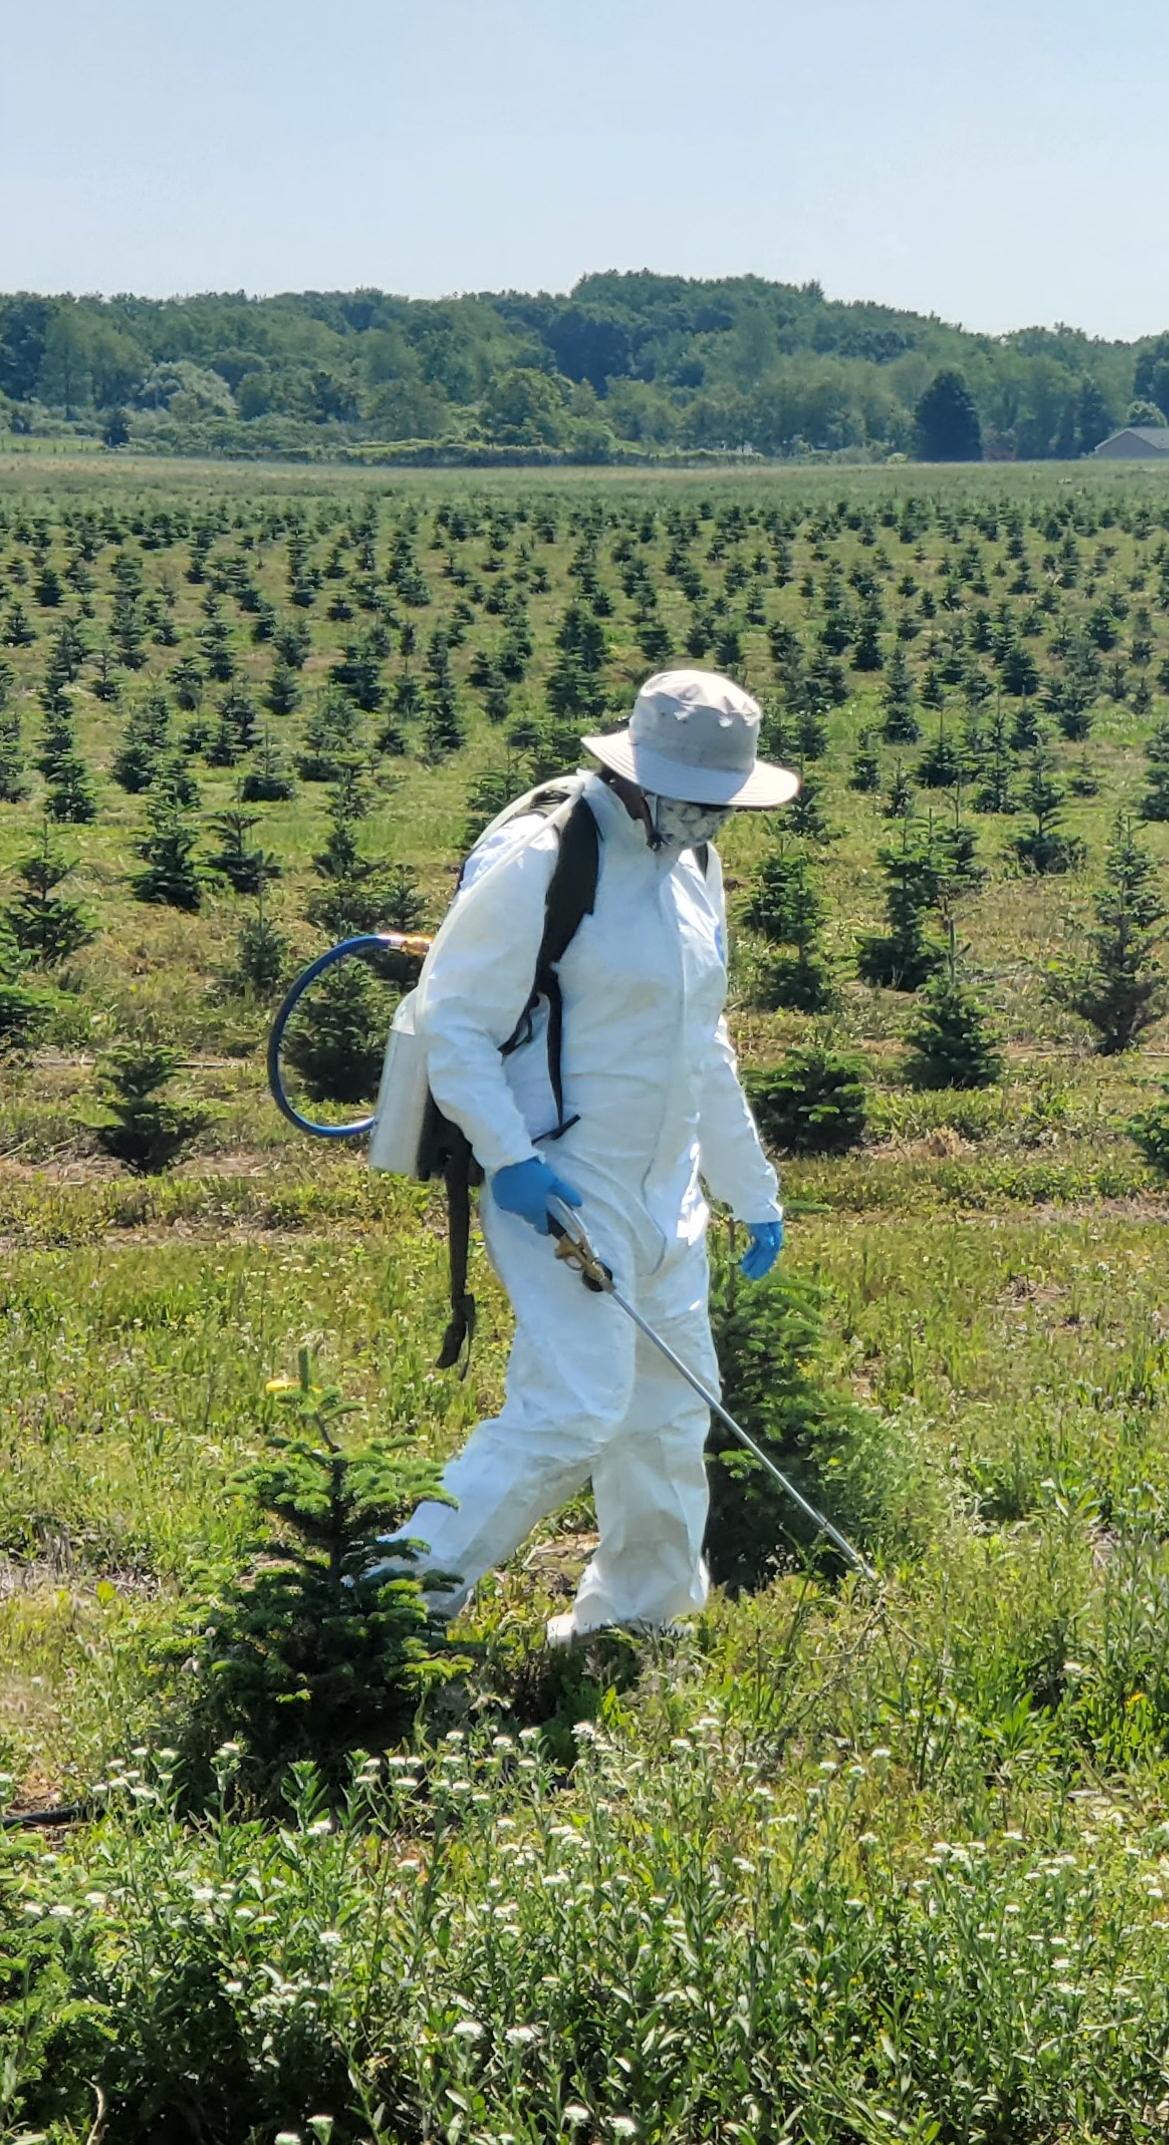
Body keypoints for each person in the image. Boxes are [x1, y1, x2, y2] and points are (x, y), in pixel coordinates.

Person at [391, 670, 794, 1644]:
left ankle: (640, 1624)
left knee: (665, 1416)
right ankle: (389, 1609)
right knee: (569, 1411)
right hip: (563, 1183)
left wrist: (750, 1188)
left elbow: (705, 1040)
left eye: (723, 805)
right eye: (695, 799)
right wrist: (511, 1157)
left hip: (668, 1193)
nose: (709, 820)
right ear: (636, 775)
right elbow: (453, 1024)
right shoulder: (544, 859)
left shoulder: (693, 869)